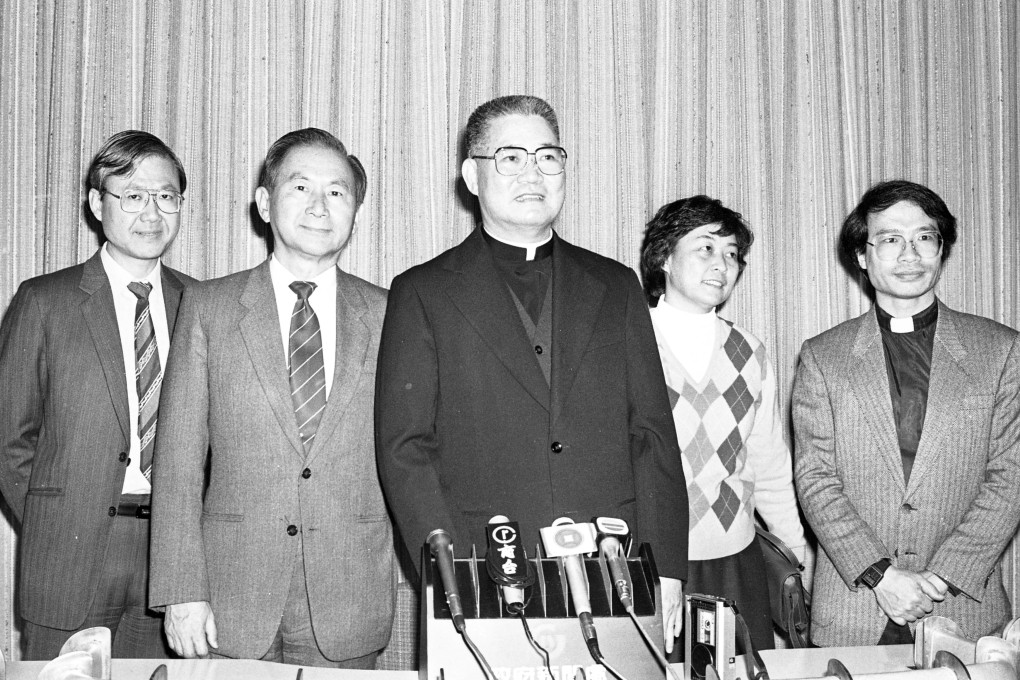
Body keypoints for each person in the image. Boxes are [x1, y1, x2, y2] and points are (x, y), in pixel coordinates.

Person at [375, 95, 688, 650]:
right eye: (511, 158)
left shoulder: (615, 285)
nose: (533, 173)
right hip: (484, 571)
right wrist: (452, 577)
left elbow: (653, 435)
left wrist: (664, 570)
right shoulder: (423, 291)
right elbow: (406, 450)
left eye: (547, 157)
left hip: (613, 569)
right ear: (472, 176)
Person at [148, 128, 394, 668]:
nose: (319, 206)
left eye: (337, 192)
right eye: (300, 187)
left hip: (348, 596)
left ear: (355, 212)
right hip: (229, 597)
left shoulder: (390, 314)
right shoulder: (209, 308)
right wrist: (180, 591)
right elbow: (178, 462)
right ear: (264, 203)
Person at [793, 179, 1020, 646]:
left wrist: (941, 578)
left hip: (962, 607)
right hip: (855, 609)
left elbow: (1011, 475)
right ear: (862, 256)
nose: (909, 254)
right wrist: (882, 576)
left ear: (942, 250)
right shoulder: (823, 356)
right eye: (891, 239)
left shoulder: (1000, 350)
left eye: (924, 237)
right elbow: (815, 479)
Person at [0, 130, 192, 659]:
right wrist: (58, 520)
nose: (151, 212)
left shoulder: (201, 305)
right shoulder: (44, 301)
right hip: (70, 554)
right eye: (133, 195)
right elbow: (8, 440)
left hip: (170, 561)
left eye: (166, 196)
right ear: (96, 202)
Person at [639, 196, 808, 652]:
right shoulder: (628, 339)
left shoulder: (749, 352)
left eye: (732, 254)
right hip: (652, 560)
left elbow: (769, 463)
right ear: (664, 258)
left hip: (735, 558)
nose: (722, 264)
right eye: (706, 248)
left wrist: (795, 555)